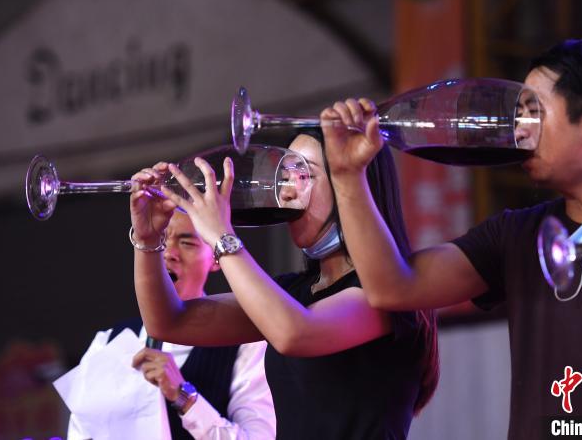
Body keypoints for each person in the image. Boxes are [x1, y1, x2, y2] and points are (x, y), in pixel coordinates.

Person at [319, 38, 582, 438]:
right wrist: (347, 176)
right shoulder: (517, 234)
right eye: (518, 115)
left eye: (534, 113)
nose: (518, 131)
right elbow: (392, 287)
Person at [128, 131, 439, 439]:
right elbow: (168, 322)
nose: (287, 193)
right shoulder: (295, 292)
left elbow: (295, 333)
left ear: (353, 184)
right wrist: (148, 240)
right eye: (285, 178)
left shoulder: (386, 293)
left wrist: (222, 237)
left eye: (305, 176)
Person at [67, 211, 275, 440]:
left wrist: (184, 396)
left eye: (187, 243)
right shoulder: (107, 342)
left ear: (216, 257)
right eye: (160, 240)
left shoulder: (244, 344)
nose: (169, 253)